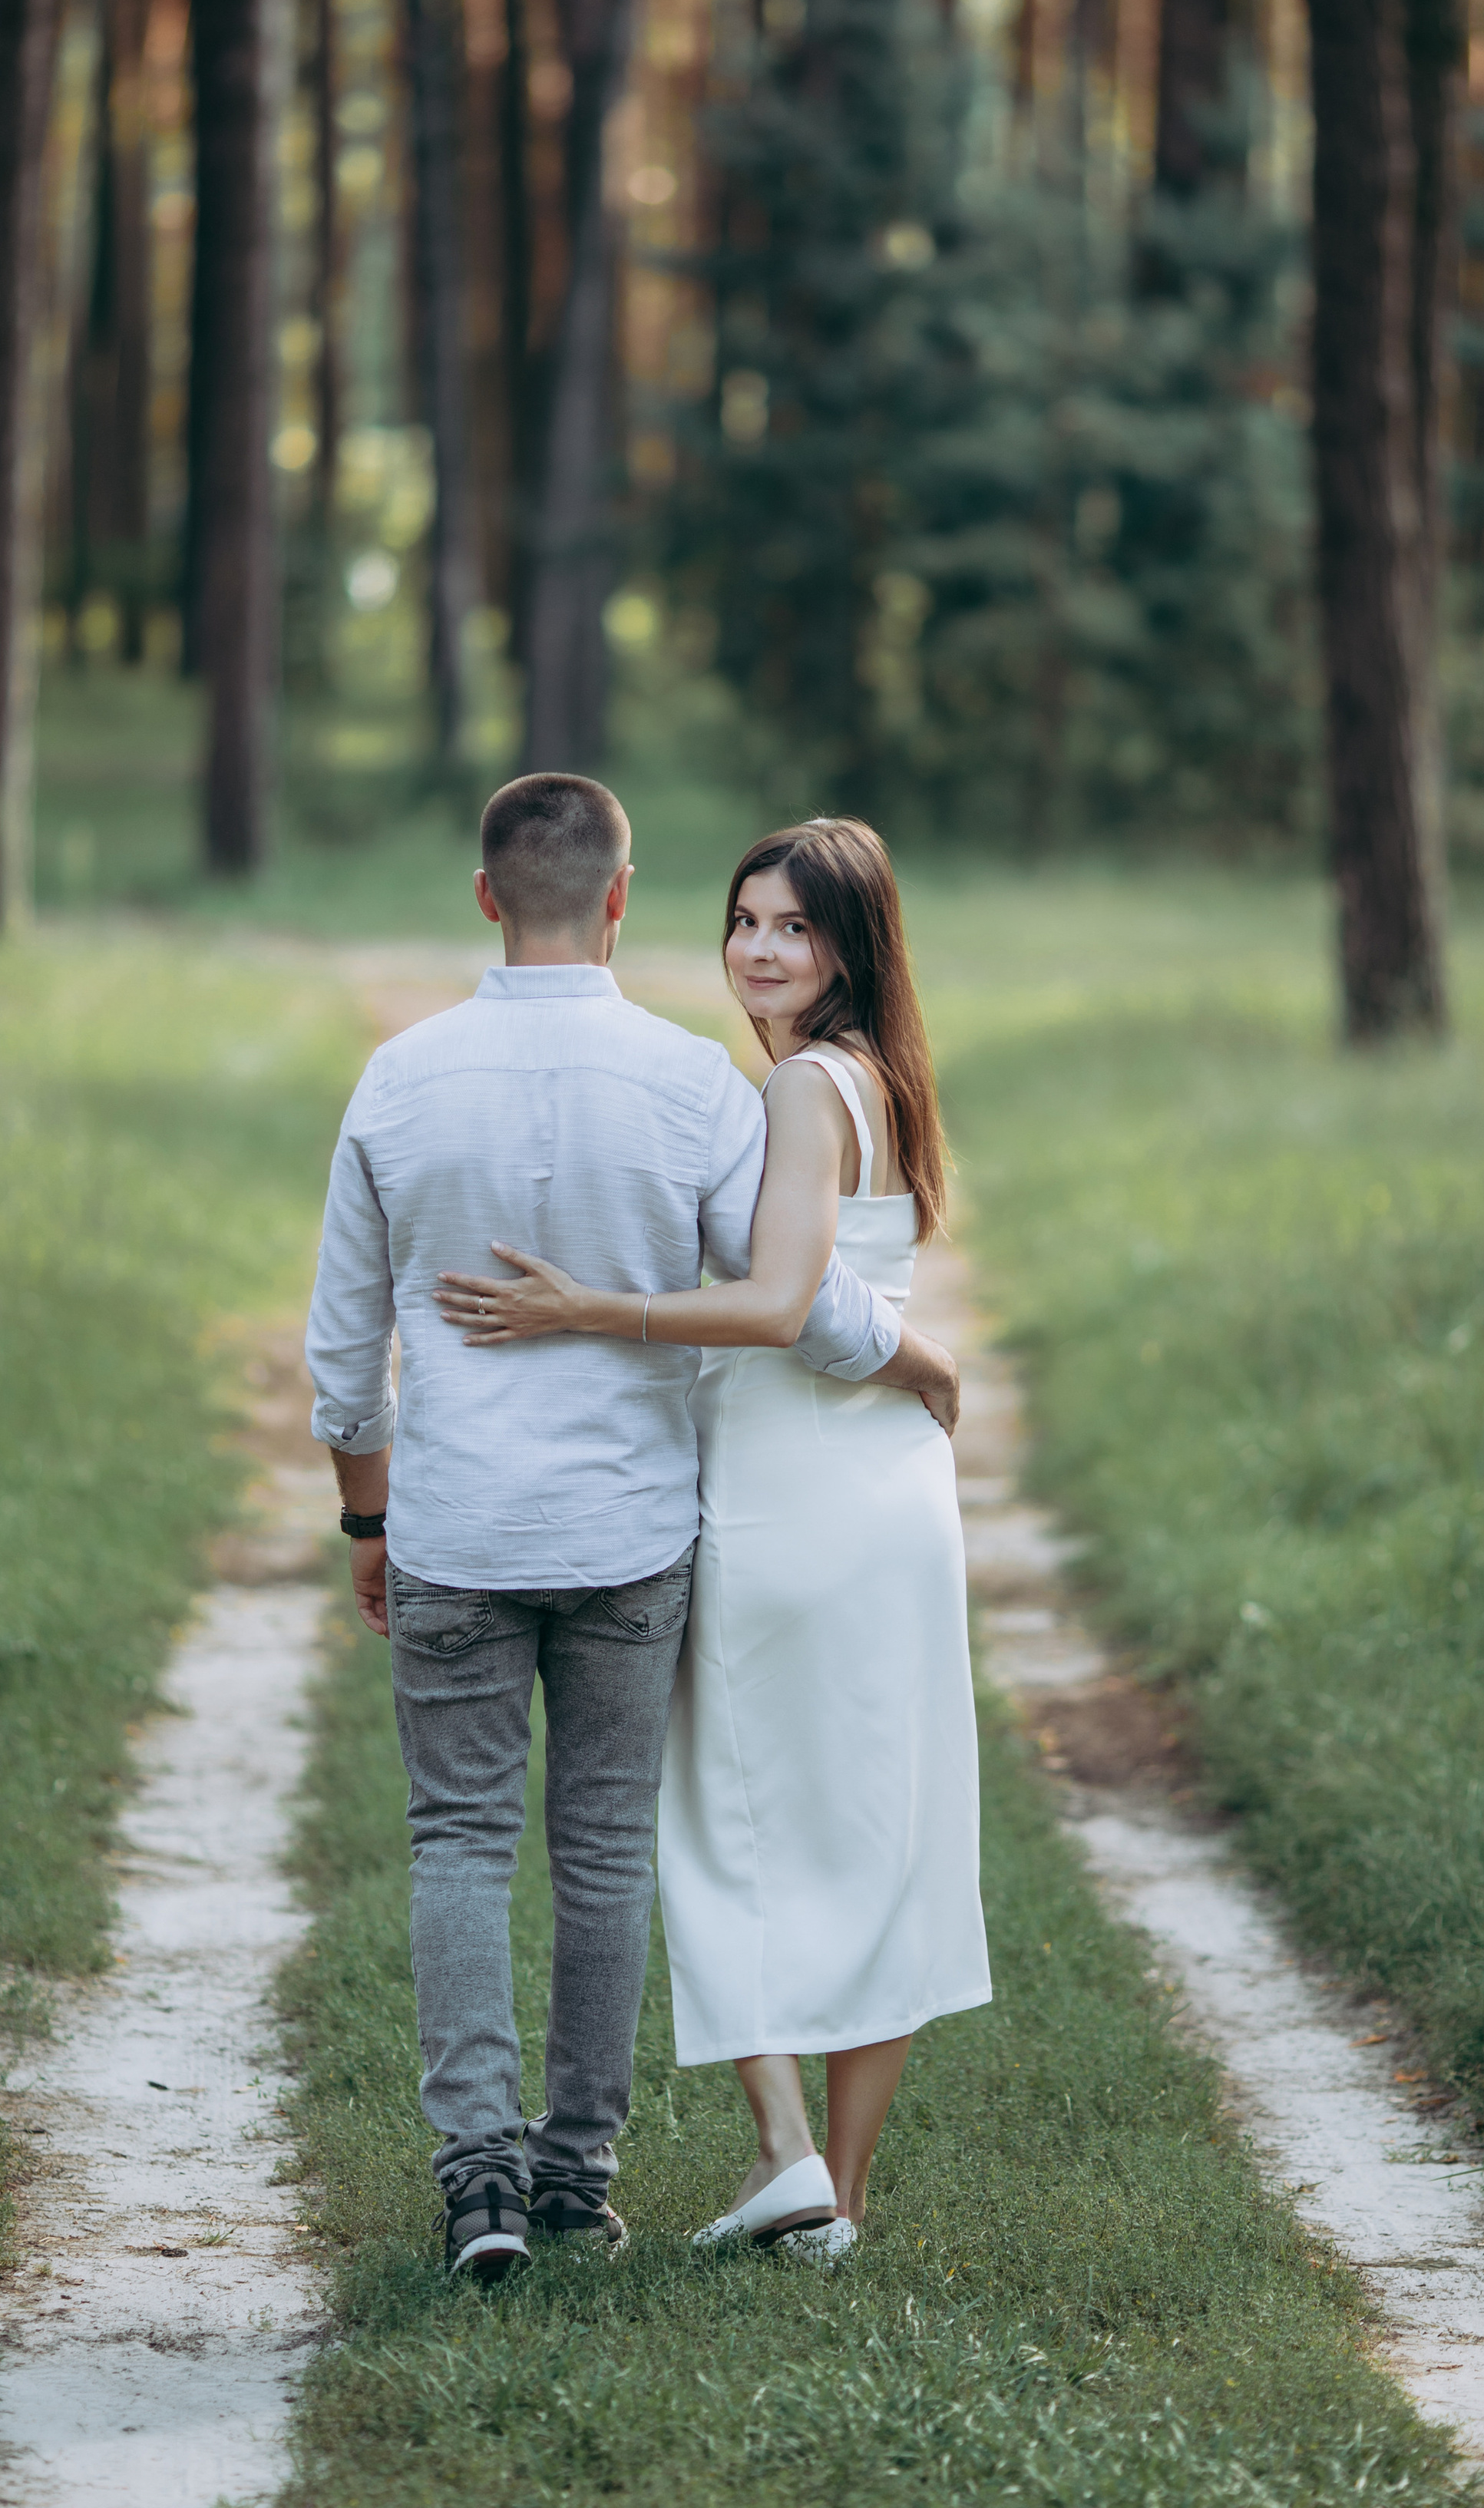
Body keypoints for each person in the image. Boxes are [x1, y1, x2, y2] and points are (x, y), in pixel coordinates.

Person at [303, 775, 961, 2282]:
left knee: (459, 1842)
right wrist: (912, 1358)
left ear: (485, 897)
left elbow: (345, 1353)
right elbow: (795, 1287)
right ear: (618, 901)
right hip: (626, 1535)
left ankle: (474, 2190)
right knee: (603, 1849)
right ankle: (569, 2184)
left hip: (456, 1529)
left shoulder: (397, 1083)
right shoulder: (690, 1086)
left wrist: (365, 1520)